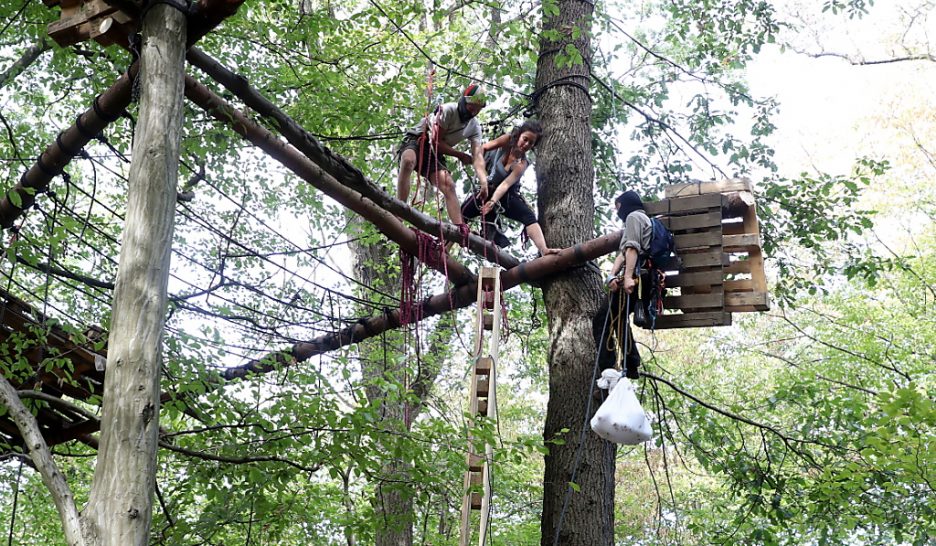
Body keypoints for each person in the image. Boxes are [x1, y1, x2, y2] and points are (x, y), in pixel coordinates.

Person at [459, 120, 560, 256]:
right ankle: (447, 247)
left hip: (506, 196)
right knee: (463, 212)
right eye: (525, 139)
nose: (526, 145)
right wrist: (482, 174)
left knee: (528, 216)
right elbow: (483, 148)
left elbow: (506, 184)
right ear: (519, 135)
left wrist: (493, 202)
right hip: (487, 188)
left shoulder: (522, 164)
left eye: (531, 143)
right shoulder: (507, 140)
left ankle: (544, 250)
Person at [396, 84, 489, 225]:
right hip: (418, 140)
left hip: (436, 154)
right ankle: (399, 212)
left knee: (449, 185)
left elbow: (477, 156)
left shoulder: (475, 127)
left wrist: (483, 182)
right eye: (472, 106)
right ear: (464, 101)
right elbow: (435, 142)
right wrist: (460, 155)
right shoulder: (448, 110)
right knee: (408, 161)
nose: (473, 112)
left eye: (478, 109)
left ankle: (460, 227)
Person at [593, 191, 653, 379]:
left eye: (617, 206)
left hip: (638, 277)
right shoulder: (635, 221)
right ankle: (631, 363)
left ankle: (608, 368)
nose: (617, 210)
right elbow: (623, 252)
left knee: (601, 319)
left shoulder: (635, 217)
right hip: (639, 275)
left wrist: (627, 277)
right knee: (617, 319)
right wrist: (611, 276)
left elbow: (632, 248)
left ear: (624, 204)